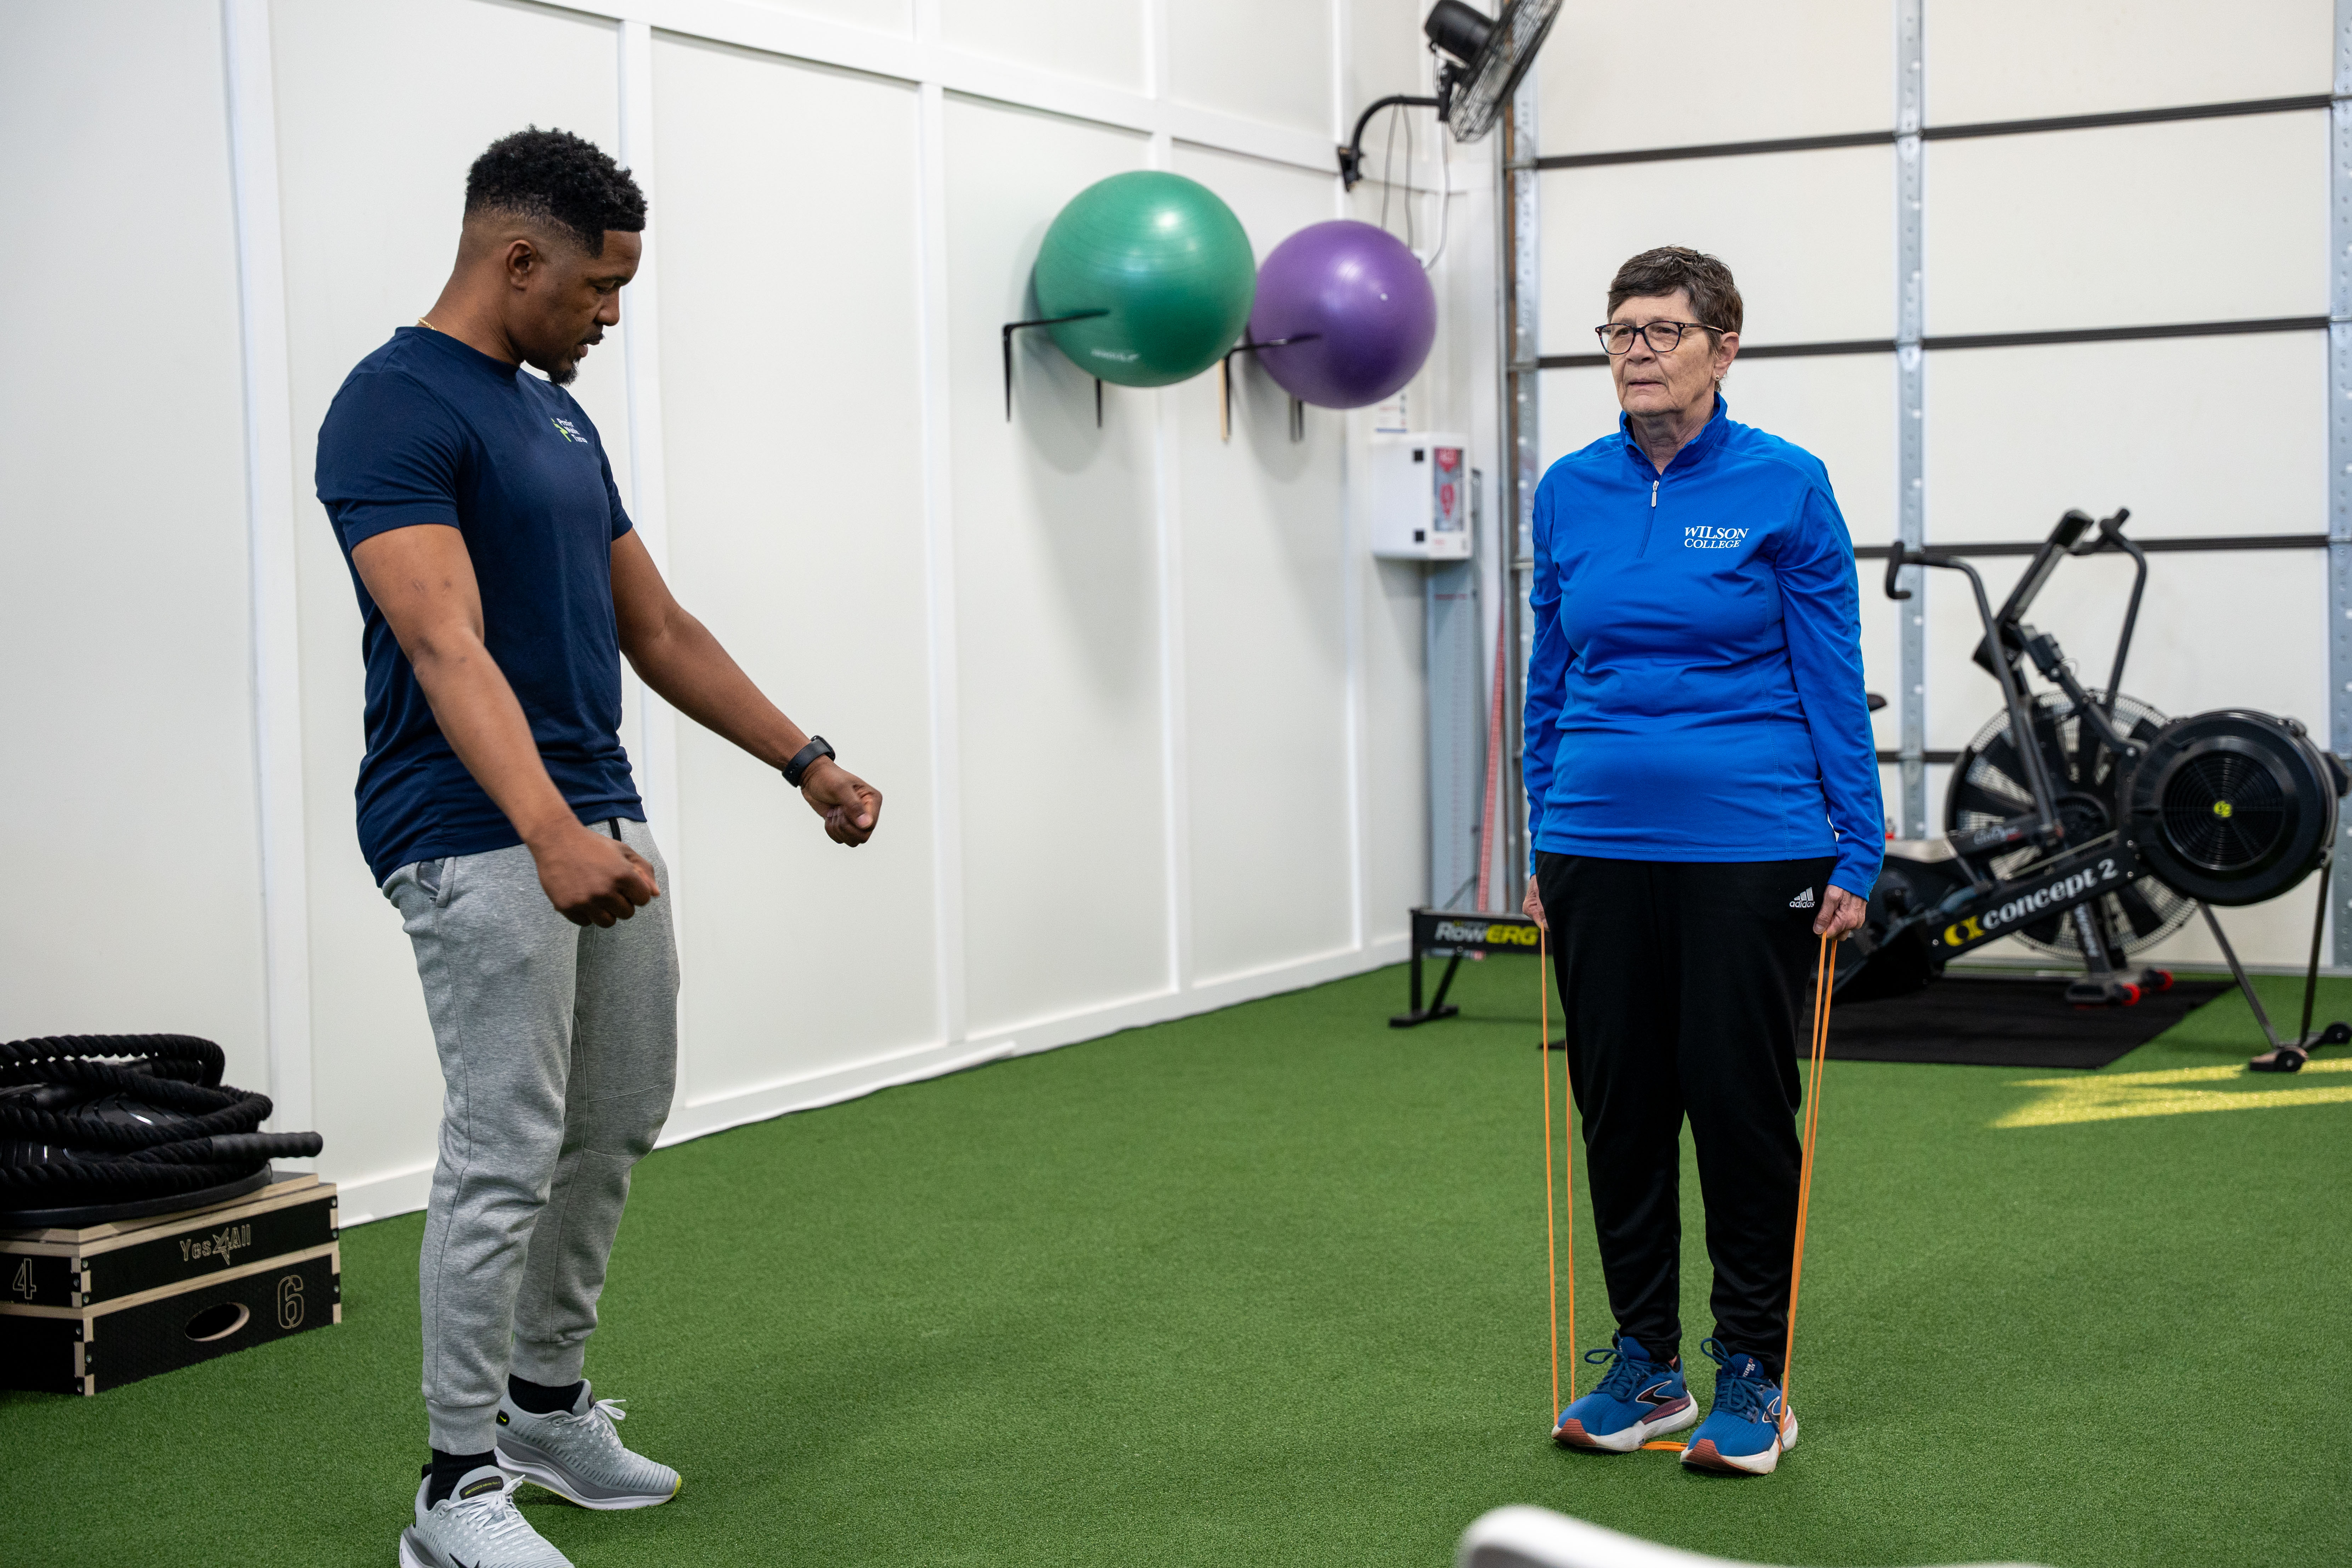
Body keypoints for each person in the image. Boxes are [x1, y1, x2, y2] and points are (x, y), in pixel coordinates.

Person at [316, 128, 883, 1568]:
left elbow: (660, 627)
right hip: (472, 826)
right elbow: (443, 644)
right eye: (599, 286)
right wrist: (547, 829)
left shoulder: (556, 421)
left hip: (594, 812)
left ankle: (542, 1409)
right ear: (519, 259)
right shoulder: (390, 405)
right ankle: (453, 1491)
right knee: (503, 1146)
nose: (612, 314)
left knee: (615, 1119)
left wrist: (805, 761)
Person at [1519, 247, 1879, 1476]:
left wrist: (1859, 841)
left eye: (1663, 330)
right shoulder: (1570, 490)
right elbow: (1551, 676)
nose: (1636, 351)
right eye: (1620, 330)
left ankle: (1755, 1376)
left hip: (1753, 840)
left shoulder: (1785, 484)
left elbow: (1831, 667)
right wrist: (1544, 831)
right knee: (1620, 1111)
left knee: (1738, 1109)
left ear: (1724, 349)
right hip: (1593, 839)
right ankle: (1648, 1366)